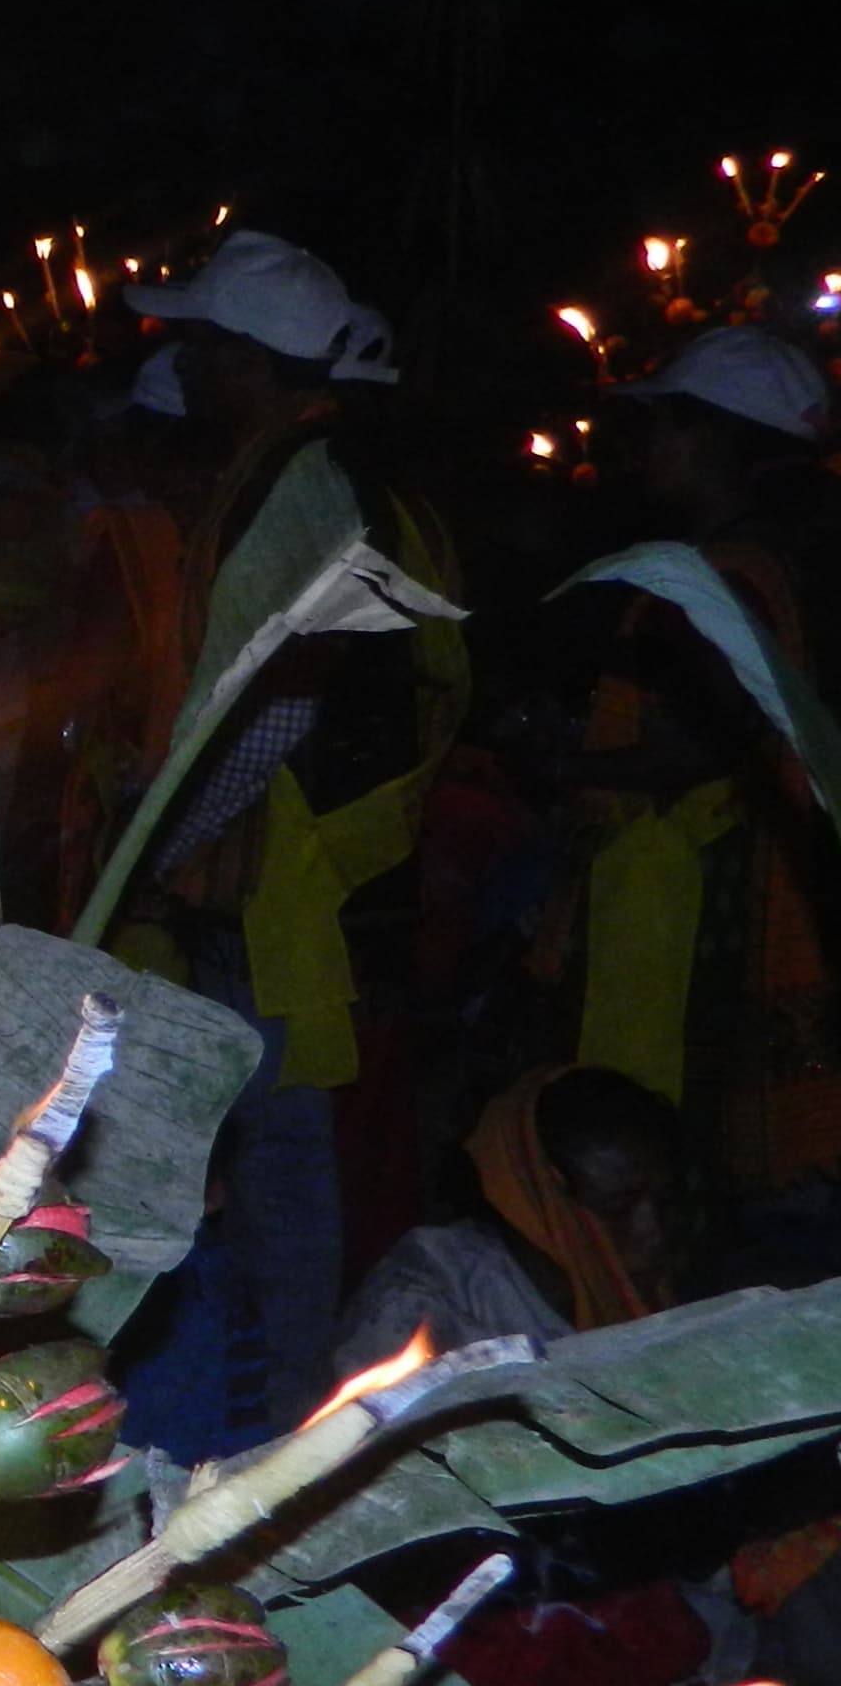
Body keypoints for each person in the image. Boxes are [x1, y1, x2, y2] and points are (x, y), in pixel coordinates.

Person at [111, 229, 466, 1447]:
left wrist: (160, 847)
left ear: (249, 362)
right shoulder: (345, 472)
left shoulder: (296, 487)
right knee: (284, 1173)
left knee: (283, 1183)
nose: (183, 367)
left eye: (201, 347)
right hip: (330, 879)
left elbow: (283, 709)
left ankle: (281, 1443)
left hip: (286, 893)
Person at [563, 323, 841, 1247]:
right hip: (796, 874)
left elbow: (707, 743)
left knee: (748, 1190)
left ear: (714, 434)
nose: (646, 449)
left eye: (664, 426)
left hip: (732, 894)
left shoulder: (724, 577)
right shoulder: (802, 554)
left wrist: (563, 766)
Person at [329, 1063, 689, 1378]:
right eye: (616, 1209)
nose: (653, 1232)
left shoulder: (656, 1292)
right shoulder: (422, 1308)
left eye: (665, 1201)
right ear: (537, 1201)